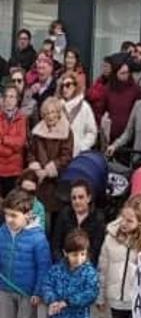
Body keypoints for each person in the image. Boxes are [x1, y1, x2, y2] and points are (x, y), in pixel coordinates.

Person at [0, 190, 50, 318]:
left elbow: (44, 267)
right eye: (6, 214)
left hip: (27, 291)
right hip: (4, 286)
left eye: (14, 215)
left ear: (27, 215)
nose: (9, 220)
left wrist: (38, 291)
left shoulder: (37, 238)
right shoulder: (3, 232)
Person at [28, 96, 74, 224]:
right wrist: (35, 166)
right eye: (47, 113)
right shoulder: (37, 132)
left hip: (59, 182)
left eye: (53, 112)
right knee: (42, 221)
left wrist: (49, 170)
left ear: (58, 113)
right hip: (40, 182)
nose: (50, 116)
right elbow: (31, 152)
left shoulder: (66, 131)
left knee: (58, 220)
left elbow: (67, 156)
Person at [49, 180, 104, 264]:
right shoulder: (64, 214)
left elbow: (95, 250)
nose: (77, 201)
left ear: (89, 198)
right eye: (74, 198)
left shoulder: (98, 219)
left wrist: (80, 265)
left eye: (81, 197)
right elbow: (56, 245)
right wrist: (63, 264)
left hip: (85, 267)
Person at [94, 59, 141, 150]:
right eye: (122, 73)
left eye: (127, 73)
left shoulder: (135, 90)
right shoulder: (108, 89)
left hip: (129, 136)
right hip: (111, 135)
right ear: (116, 73)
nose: (125, 76)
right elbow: (100, 110)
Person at [58, 72, 96, 158]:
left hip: (79, 154)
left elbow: (92, 132)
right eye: (62, 86)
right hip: (60, 156)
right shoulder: (57, 106)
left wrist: (82, 147)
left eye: (68, 85)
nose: (64, 89)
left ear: (75, 86)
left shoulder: (84, 106)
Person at [0, 87, 28, 195]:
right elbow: (15, 143)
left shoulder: (22, 118)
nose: (8, 100)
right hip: (0, 168)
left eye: (11, 97)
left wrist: (3, 139)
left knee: (12, 203)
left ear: (17, 100)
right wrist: (9, 150)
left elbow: (20, 142)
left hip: (15, 170)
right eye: (6, 96)